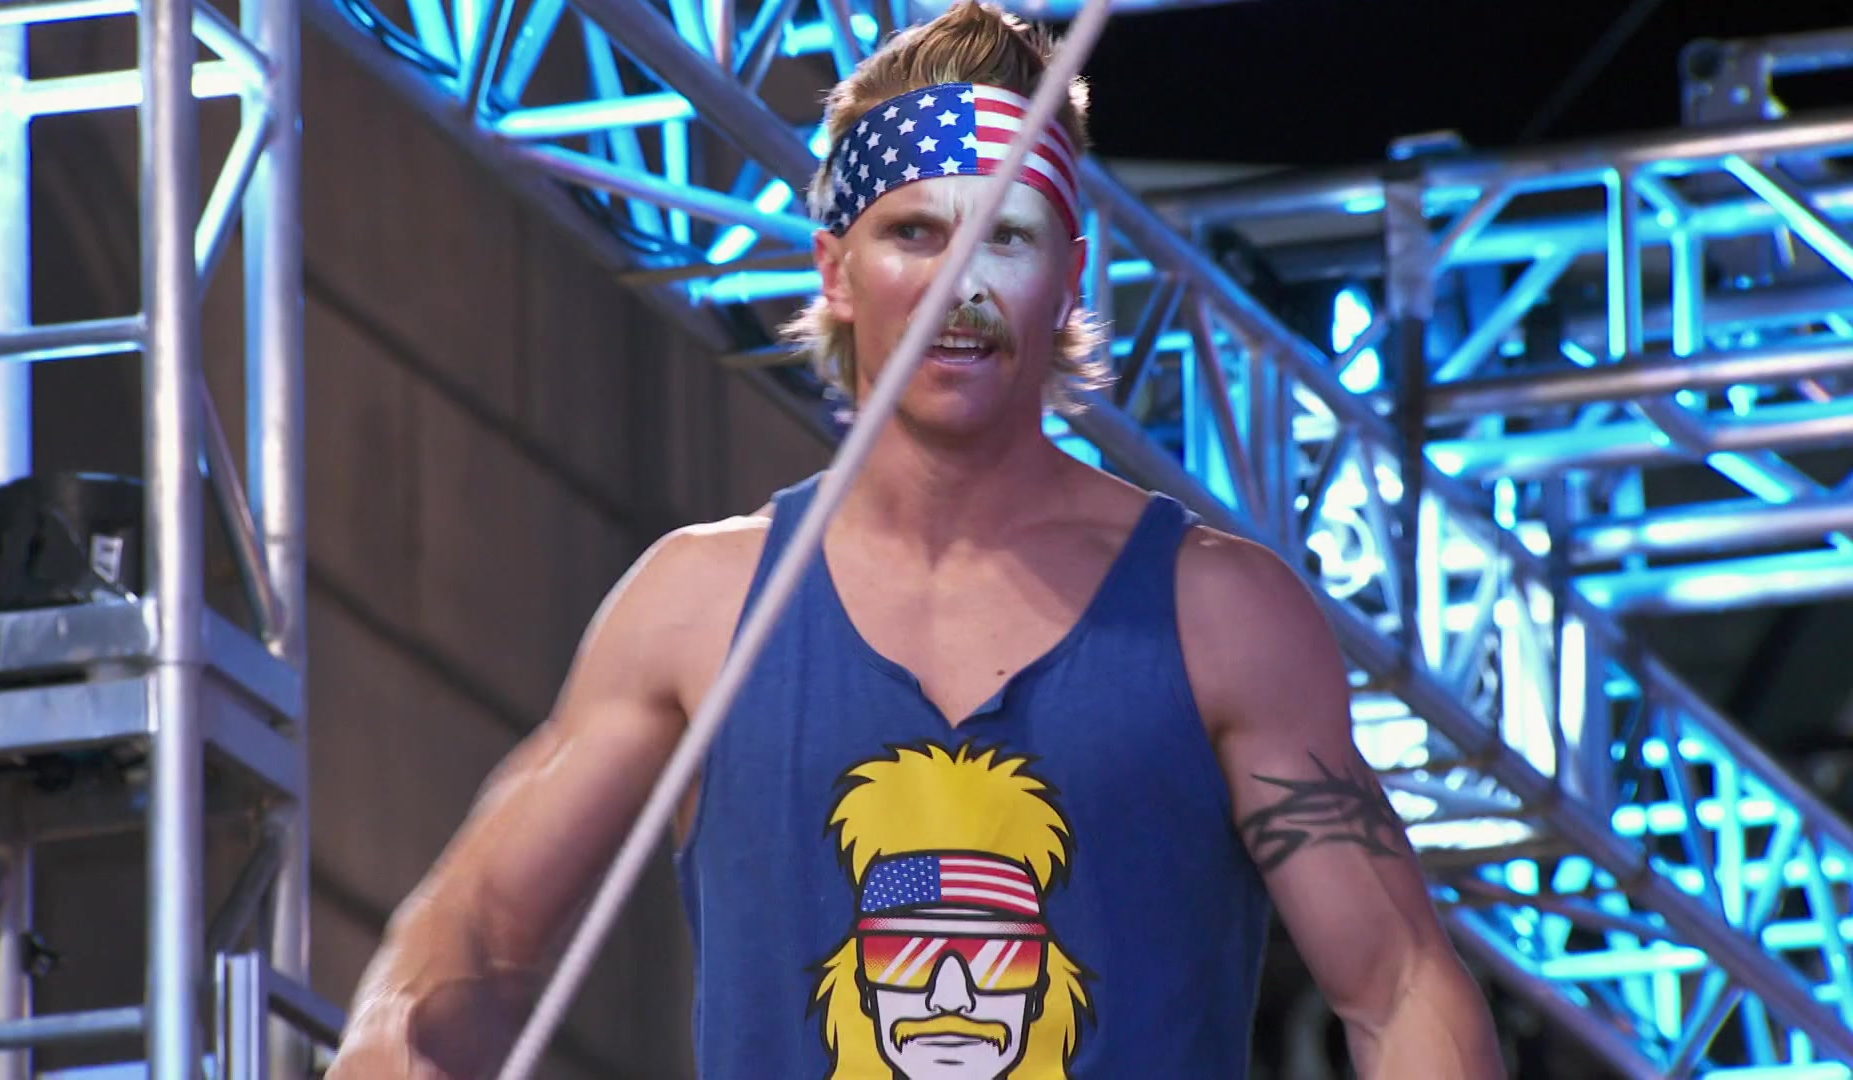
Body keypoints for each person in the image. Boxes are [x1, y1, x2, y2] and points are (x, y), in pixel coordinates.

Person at [326, 2, 1508, 1076]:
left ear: (1070, 277)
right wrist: (397, 1038)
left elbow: (1401, 988)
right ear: (835, 269)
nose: (961, 286)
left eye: (1009, 237)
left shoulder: (1218, 615)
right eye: (914, 234)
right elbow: (473, 934)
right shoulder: (700, 606)